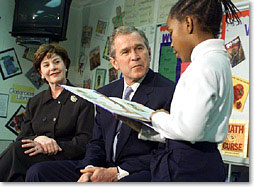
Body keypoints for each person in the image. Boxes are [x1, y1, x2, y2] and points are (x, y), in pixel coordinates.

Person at [25, 26, 176, 182]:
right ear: (114, 63)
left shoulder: (168, 91)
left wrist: (116, 172)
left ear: (149, 53)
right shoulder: (105, 92)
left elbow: (168, 150)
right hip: (103, 165)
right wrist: (90, 169)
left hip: (137, 171)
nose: (135, 56)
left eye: (139, 48)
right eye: (125, 52)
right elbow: (97, 141)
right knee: (38, 172)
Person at [117, 0, 241, 182]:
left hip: (186, 168)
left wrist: (155, 117)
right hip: (199, 161)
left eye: (171, 32)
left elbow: (190, 131)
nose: (172, 42)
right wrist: (145, 128)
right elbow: (193, 133)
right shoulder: (217, 61)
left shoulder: (203, 66)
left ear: (188, 24)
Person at [0, 43, 94, 181]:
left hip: (67, 159)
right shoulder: (35, 102)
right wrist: (38, 140)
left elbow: (84, 142)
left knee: (16, 153)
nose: (53, 68)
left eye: (57, 62)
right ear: (41, 73)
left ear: (65, 65)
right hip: (37, 158)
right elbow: (22, 138)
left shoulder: (82, 100)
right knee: (17, 171)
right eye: (46, 65)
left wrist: (53, 146)